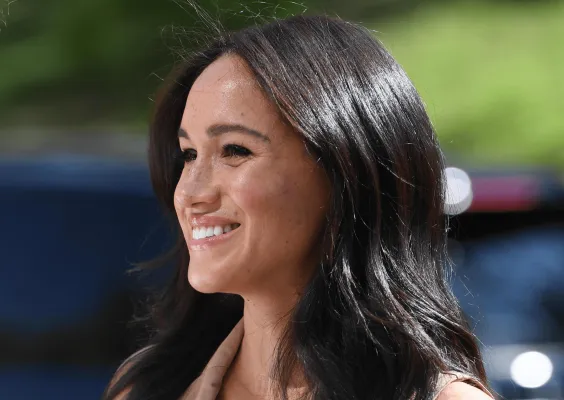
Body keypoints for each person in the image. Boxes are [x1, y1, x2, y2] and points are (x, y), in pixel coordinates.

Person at [104, 14, 494, 400]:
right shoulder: (146, 390)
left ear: (346, 171)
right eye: (189, 154)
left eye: (235, 150)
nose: (189, 193)